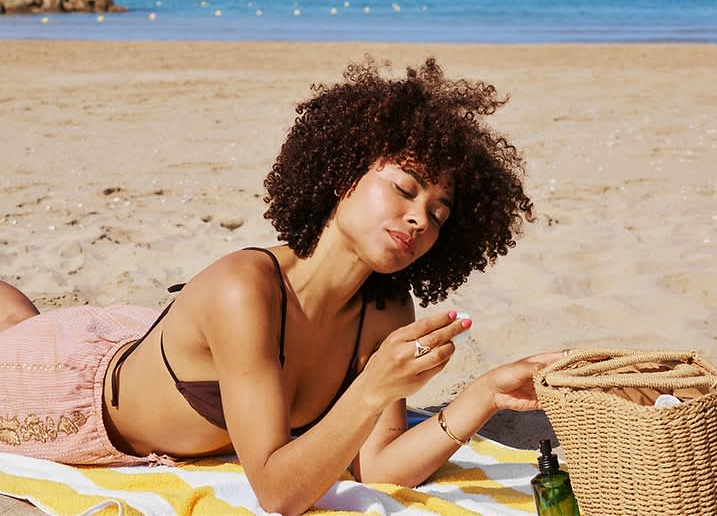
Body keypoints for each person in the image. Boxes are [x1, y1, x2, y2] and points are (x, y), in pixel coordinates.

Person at [0, 57, 563, 515]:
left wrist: (485, 394)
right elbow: (279, 493)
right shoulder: (243, 289)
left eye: (440, 213)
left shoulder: (386, 306)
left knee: (22, 320)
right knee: (20, 334)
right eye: (405, 188)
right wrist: (371, 389)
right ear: (344, 172)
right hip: (59, 388)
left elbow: (380, 466)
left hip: (140, 343)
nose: (421, 218)